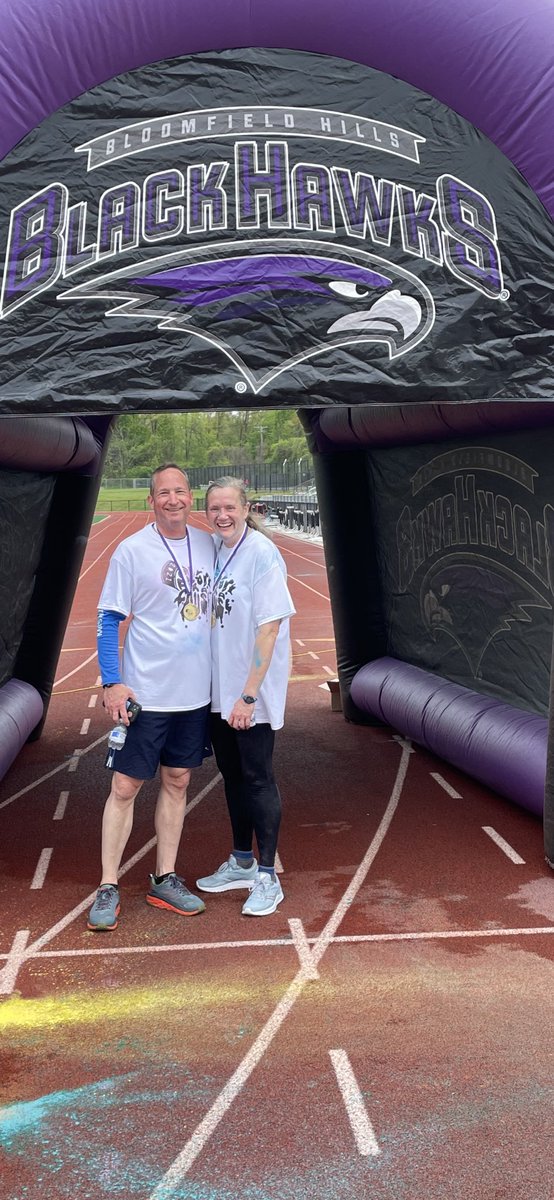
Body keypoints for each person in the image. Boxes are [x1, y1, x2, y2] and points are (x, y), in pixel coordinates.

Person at [87, 464, 214, 931]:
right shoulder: (131, 550)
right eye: (164, 493)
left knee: (178, 780)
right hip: (146, 692)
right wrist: (111, 681)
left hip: (194, 695)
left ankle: (165, 877)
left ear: (190, 497)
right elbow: (107, 620)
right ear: (152, 501)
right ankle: (107, 885)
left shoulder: (208, 544)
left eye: (180, 491)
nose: (173, 499)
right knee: (125, 786)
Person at [196, 476, 295, 916]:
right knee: (232, 775)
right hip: (221, 690)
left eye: (229, 508)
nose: (221, 515)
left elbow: (269, 628)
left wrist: (249, 696)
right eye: (214, 508)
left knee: (257, 777)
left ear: (245, 507)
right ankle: (240, 861)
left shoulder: (261, 554)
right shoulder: (216, 550)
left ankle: (268, 876)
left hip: (249, 692)